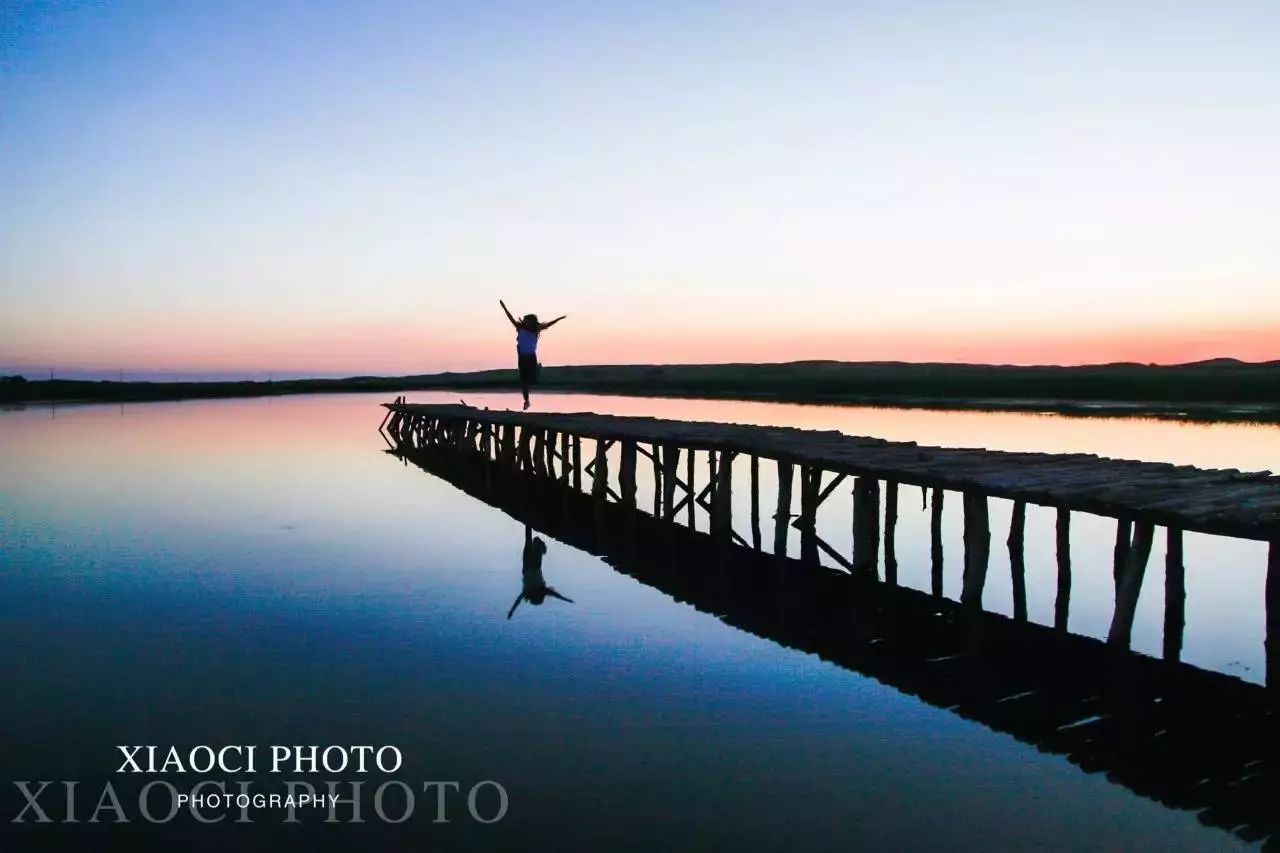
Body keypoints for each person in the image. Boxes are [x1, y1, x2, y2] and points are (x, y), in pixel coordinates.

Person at [500, 299, 566, 410]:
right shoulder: (519, 327)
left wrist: (559, 319)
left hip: (531, 356)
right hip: (522, 357)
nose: (524, 321)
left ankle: (537, 368)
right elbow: (510, 317)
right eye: (524, 320)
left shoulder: (535, 329)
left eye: (526, 320)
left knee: (532, 380)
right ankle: (526, 401)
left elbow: (548, 325)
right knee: (523, 381)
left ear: (530, 321)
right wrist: (504, 308)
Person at [507, 526, 574, 619]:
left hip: (529, 565)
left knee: (529, 540)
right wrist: (565, 599)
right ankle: (538, 540)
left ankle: (534, 534)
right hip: (531, 566)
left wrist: (512, 611)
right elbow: (555, 595)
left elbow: (518, 601)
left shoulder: (529, 592)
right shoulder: (532, 592)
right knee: (529, 540)